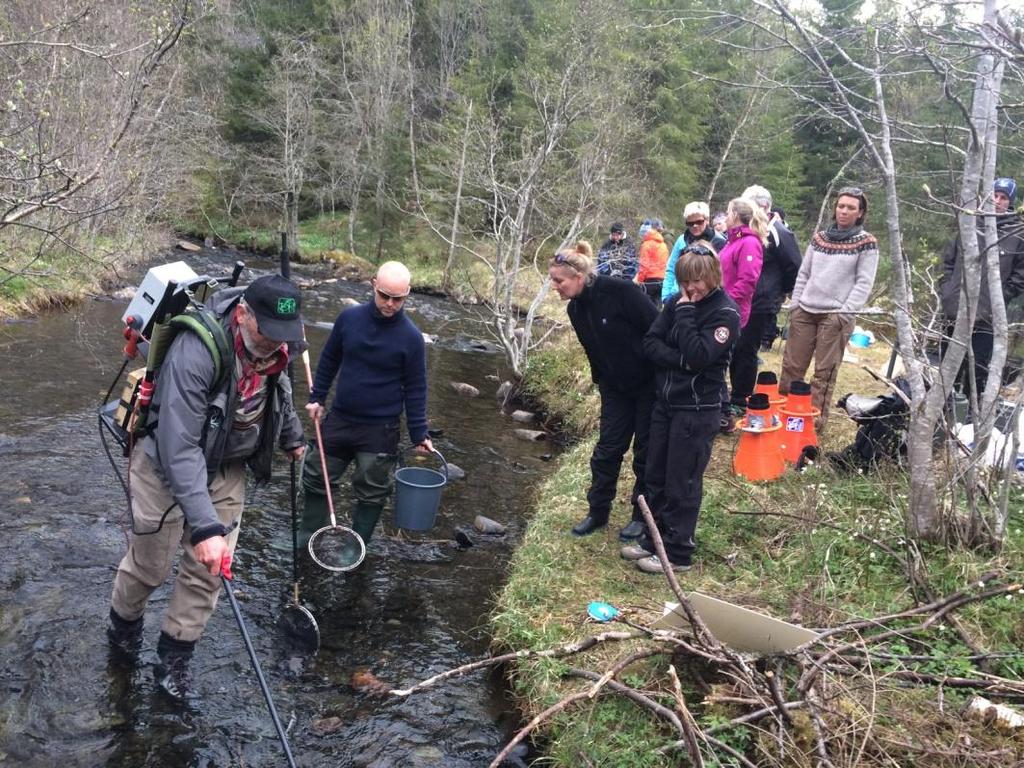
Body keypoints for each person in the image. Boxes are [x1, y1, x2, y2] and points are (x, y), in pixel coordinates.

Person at [107, 274, 306, 700]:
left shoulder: (278, 345)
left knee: (209, 573)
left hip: (227, 463)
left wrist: (292, 435)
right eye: (267, 331)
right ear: (242, 314)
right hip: (165, 463)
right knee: (151, 567)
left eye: (283, 334)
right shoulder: (196, 350)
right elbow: (178, 447)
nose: (275, 342)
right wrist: (204, 526)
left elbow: (281, 389)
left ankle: (173, 663)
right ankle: (121, 633)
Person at [299, 261, 433, 550]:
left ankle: (355, 547)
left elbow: (416, 388)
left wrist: (419, 432)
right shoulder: (349, 319)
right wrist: (317, 397)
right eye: (385, 295)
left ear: (407, 294)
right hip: (340, 418)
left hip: (380, 429)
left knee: (372, 491)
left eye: (398, 298)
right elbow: (329, 360)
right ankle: (307, 535)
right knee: (315, 475)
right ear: (373, 285)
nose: (390, 303)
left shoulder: (411, 338)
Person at [623, 243, 740, 573]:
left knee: (683, 479)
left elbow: (701, 355)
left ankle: (677, 551)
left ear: (713, 277)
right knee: (655, 473)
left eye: (698, 281)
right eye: (686, 280)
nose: (691, 288)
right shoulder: (676, 302)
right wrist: (681, 361)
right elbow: (651, 343)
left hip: (698, 408)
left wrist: (686, 322)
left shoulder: (724, 314)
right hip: (666, 402)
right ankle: (653, 539)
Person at [549, 241, 658, 541]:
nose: (555, 287)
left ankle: (641, 516)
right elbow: (594, 350)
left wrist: (658, 371)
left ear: (578, 277)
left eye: (559, 281)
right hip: (615, 389)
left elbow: (657, 328)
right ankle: (598, 512)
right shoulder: (574, 309)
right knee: (607, 451)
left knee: (645, 454)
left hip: (649, 385)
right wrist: (603, 382)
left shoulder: (622, 292)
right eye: (553, 281)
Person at [780, 186, 879, 428]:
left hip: (835, 315)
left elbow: (863, 282)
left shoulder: (867, 243)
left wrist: (844, 314)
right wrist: (796, 304)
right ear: (835, 209)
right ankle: (784, 414)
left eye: (851, 208)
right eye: (841, 206)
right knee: (792, 366)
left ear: (861, 213)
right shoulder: (819, 238)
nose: (844, 211)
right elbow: (804, 272)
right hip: (805, 310)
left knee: (824, 373)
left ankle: (812, 423)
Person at [940, 176, 1024, 400]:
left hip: (986, 318)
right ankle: (941, 420)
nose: (997, 201)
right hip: (953, 310)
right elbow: (949, 261)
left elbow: (1019, 277)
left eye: (1003, 198)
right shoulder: (969, 223)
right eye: (994, 195)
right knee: (946, 371)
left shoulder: (1017, 234)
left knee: (977, 373)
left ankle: (970, 424)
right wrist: (947, 291)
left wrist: (998, 300)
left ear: (1010, 203)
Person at [729, 185, 802, 411]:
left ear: (762, 206)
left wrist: (777, 294)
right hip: (742, 299)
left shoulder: (778, 231)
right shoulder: (746, 230)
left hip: (760, 302)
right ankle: (737, 392)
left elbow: (794, 265)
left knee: (745, 349)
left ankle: (741, 398)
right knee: (736, 347)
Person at [718, 197, 768, 431]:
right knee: (721, 358)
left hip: (733, 309)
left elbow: (748, 281)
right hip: (722, 306)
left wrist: (724, 302)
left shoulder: (749, 243)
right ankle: (721, 407)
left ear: (736, 216)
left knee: (725, 358)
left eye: (728, 213)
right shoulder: (731, 242)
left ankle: (726, 412)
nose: (725, 217)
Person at [662, 202, 728, 302]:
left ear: (707, 220)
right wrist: (665, 296)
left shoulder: (719, 242)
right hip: (678, 295)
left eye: (699, 222)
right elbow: (671, 268)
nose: (695, 226)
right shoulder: (682, 240)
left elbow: (722, 273)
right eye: (690, 223)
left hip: (707, 297)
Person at [635, 218, 669, 304]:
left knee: (646, 307)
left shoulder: (646, 245)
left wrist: (639, 281)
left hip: (649, 281)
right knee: (657, 308)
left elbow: (644, 266)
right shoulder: (663, 245)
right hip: (661, 280)